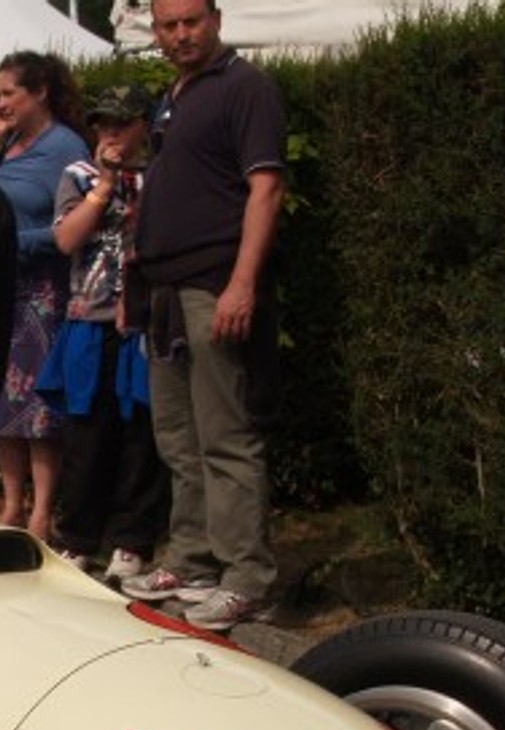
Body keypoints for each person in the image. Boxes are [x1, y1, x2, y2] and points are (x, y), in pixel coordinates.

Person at [122, 0, 288, 631]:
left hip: (214, 282)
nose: (181, 34)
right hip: (164, 289)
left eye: (192, 21)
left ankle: (248, 577)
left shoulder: (247, 89)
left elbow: (266, 188)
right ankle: (193, 557)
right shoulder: (176, 94)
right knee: (178, 438)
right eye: (169, 25)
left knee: (226, 435)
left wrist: (243, 283)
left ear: (215, 19)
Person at [38, 85, 171, 594]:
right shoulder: (78, 175)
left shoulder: (160, 176)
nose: (111, 133)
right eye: (102, 124)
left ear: (142, 125)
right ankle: (78, 536)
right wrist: (105, 186)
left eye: (121, 123)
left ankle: (133, 540)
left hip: (141, 319)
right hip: (88, 318)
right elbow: (67, 239)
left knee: (139, 430)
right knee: (86, 430)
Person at [0, 51, 91, 541]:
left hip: (41, 289)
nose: (0, 101)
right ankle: (12, 506)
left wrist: (8, 243)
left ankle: (41, 512)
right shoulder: (7, 143)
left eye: (9, 92)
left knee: (37, 404)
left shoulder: (66, 148)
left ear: (39, 92)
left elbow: (71, 226)